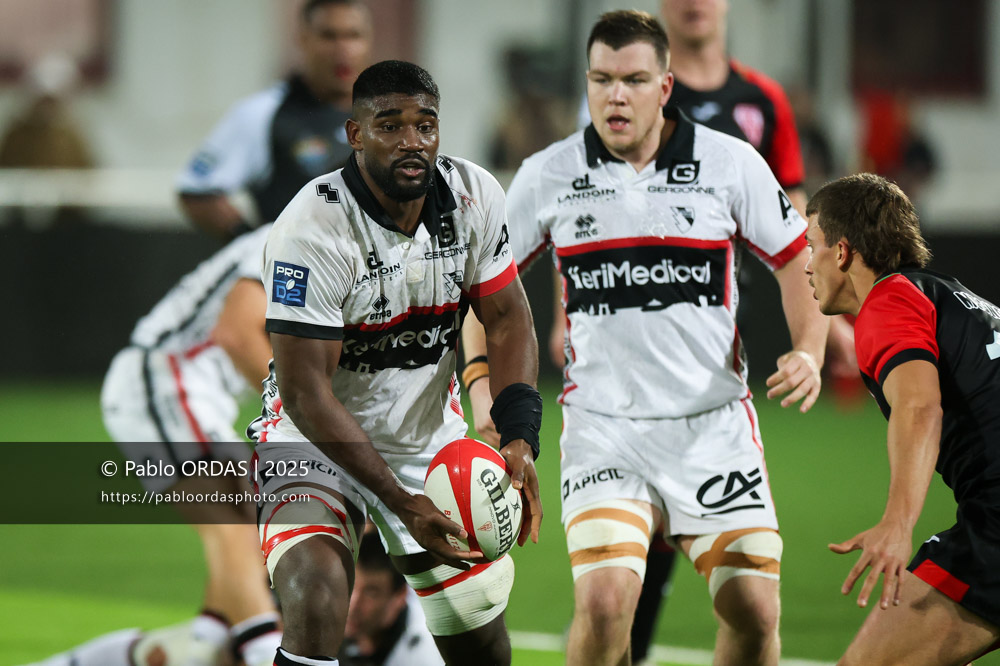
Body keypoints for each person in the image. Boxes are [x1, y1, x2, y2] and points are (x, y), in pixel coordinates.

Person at [463, 11, 827, 665]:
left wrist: (810, 348)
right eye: (602, 79)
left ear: (665, 88)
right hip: (605, 429)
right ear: (587, 83)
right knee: (604, 605)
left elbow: (800, 258)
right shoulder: (548, 173)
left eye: (633, 79)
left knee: (753, 606)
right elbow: (482, 296)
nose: (616, 95)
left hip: (712, 427)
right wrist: (481, 388)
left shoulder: (729, 162)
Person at [249, 60, 542, 666]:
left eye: (425, 125)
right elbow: (306, 395)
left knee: (478, 635)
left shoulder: (473, 195)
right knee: (314, 593)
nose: (412, 142)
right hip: (313, 437)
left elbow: (509, 317)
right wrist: (401, 503)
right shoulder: (312, 228)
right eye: (390, 125)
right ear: (356, 135)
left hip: (424, 438)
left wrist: (520, 435)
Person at [28, 225, 279, 666]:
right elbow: (236, 334)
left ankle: (201, 642)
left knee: (257, 525)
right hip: (167, 377)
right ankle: (262, 651)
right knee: (239, 521)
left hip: (189, 391)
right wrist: (300, 410)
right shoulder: (298, 229)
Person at [804, 173, 1000, 665]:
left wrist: (897, 521)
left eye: (813, 246)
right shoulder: (950, 296)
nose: (807, 266)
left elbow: (917, 405)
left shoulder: (888, 301)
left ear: (844, 252)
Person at [177, 0, 372, 240]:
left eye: (353, 36)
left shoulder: (390, 116)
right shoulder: (263, 113)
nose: (343, 49)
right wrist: (254, 247)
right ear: (302, 40)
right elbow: (197, 192)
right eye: (328, 36)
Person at [340, 529, 444, 666]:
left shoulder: (433, 654)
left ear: (400, 596)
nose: (352, 605)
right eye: (350, 584)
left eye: (371, 593)